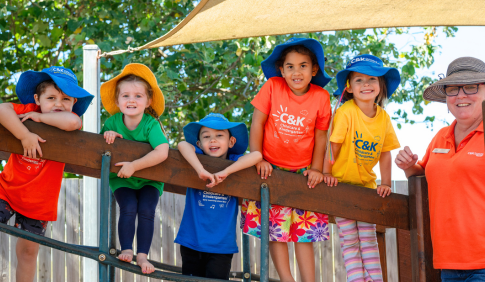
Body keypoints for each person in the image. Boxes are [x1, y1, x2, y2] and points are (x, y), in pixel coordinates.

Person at [395, 57, 485, 282]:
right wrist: (408, 166)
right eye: (452, 89)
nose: (460, 95)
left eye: (471, 87)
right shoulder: (440, 136)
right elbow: (422, 175)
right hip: (447, 263)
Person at [241, 38, 332, 282]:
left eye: (303, 65)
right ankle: (286, 279)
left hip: (303, 173)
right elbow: (257, 123)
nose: (296, 71)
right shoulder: (272, 86)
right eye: (289, 66)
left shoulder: (321, 97)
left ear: (314, 70)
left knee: (303, 232)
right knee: (275, 230)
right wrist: (257, 158)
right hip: (270, 169)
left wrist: (316, 169)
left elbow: (321, 135)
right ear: (281, 70)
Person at [0, 66, 93, 282]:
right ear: (37, 99)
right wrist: (25, 135)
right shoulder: (28, 110)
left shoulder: (65, 122)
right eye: (51, 98)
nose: (59, 104)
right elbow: (2, 109)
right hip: (6, 190)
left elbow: (74, 122)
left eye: (66, 99)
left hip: (39, 204)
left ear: (74, 104)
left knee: (28, 253)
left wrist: (39, 119)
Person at [324, 54, 401, 282]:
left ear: (381, 86)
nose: (366, 84)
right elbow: (334, 145)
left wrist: (385, 182)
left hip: (366, 187)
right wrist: (327, 173)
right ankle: (357, 280)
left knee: (368, 237)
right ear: (349, 86)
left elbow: (386, 153)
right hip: (341, 184)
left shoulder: (384, 118)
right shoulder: (346, 111)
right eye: (359, 80)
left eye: (372, 79)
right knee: (349, 237)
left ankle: (374, 279)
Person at [100, 63, 169, 274]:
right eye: (126, 96)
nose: (132, 100)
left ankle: (143, 255)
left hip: (149, 179)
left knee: (147, 210)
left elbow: (163, 151)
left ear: (148, 101)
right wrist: (109, 136)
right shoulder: (112, 122)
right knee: (128, 207)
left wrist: (134, 165)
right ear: (117, 101)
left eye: (138, 96)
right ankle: (128, 249)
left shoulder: (150, 124)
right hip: (122, 178)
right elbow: (101, 147)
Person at [175, 113, 262, 280]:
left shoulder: (235, 161)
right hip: (191, 240)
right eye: (206, 136)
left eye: (219, 135)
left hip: (221, 245)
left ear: (231, 142)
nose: (212, 140)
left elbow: (257, 156)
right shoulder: (196, 157)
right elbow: (182, 144)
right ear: (199, 143)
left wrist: (226, 172)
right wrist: (200, 170)